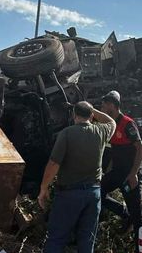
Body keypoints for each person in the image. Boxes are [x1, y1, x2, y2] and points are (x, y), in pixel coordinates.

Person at [38, 101, 116, 253]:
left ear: (74, 115)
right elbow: (111, 121)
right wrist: (92, 110)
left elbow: (53, 164)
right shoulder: (100, 131)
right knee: (87, 240)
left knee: (57, 238)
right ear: (91, 116)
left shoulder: (66, 134)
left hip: (69, 195)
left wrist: (43, 188)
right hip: (93, 194)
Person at [99, 91, 142, 253]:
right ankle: (123, 213)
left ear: (112, 105)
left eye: (104, 104)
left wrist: (134, 174)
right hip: (118, 172)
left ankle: (140, 248)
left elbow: (141, 149)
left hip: (131, 174)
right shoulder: (110, 125)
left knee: (138, 215)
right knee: (97, 191)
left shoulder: (127, 123)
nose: (102, 107)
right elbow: (114, 152)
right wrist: (106, 172)